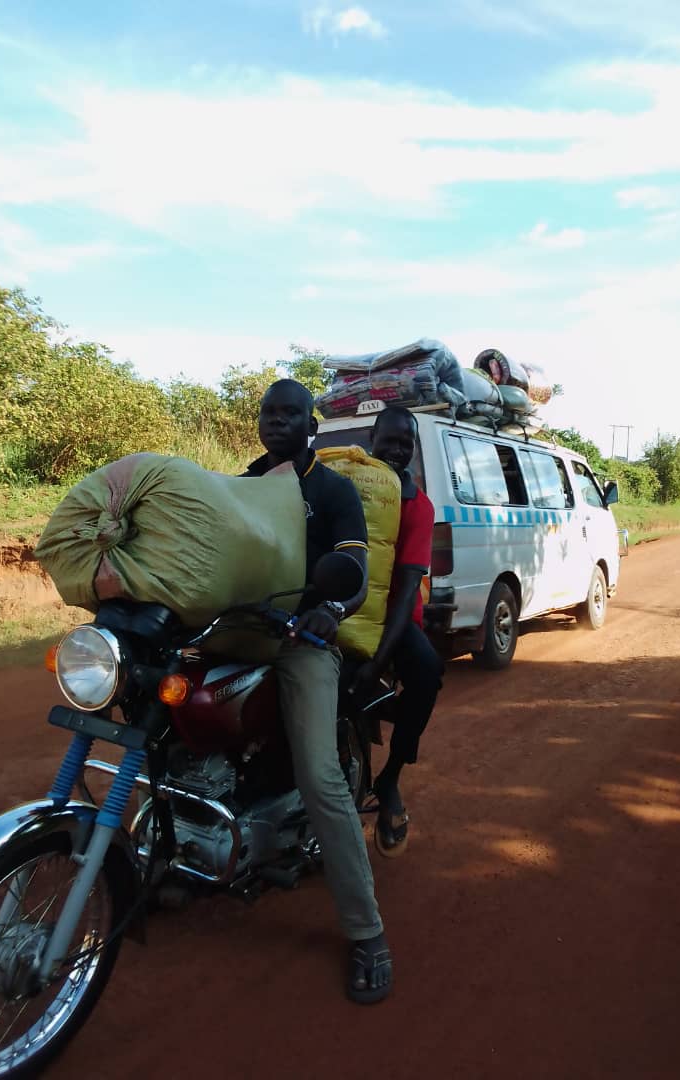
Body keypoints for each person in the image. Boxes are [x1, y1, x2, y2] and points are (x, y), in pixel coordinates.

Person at [243, 379, 392, 1004]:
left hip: (302, 637)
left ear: (313, 423)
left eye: (290, 414)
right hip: (238, 630)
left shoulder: (332, 490)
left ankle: (367, 933)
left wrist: (331, 608)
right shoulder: (243, 484)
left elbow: (354, 574)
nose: (277, 423)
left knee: (320, 775)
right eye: (268, 413)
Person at [351, 405, 444, 856]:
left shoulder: (418, 505)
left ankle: (389, 781)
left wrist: (379, 657)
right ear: (372, 438)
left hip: (394, 618)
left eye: (405, 442)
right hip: (340, 608)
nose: (396, 449)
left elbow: (408, 587)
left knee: (427, 671)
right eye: (389, 440)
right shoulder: (348, 487)